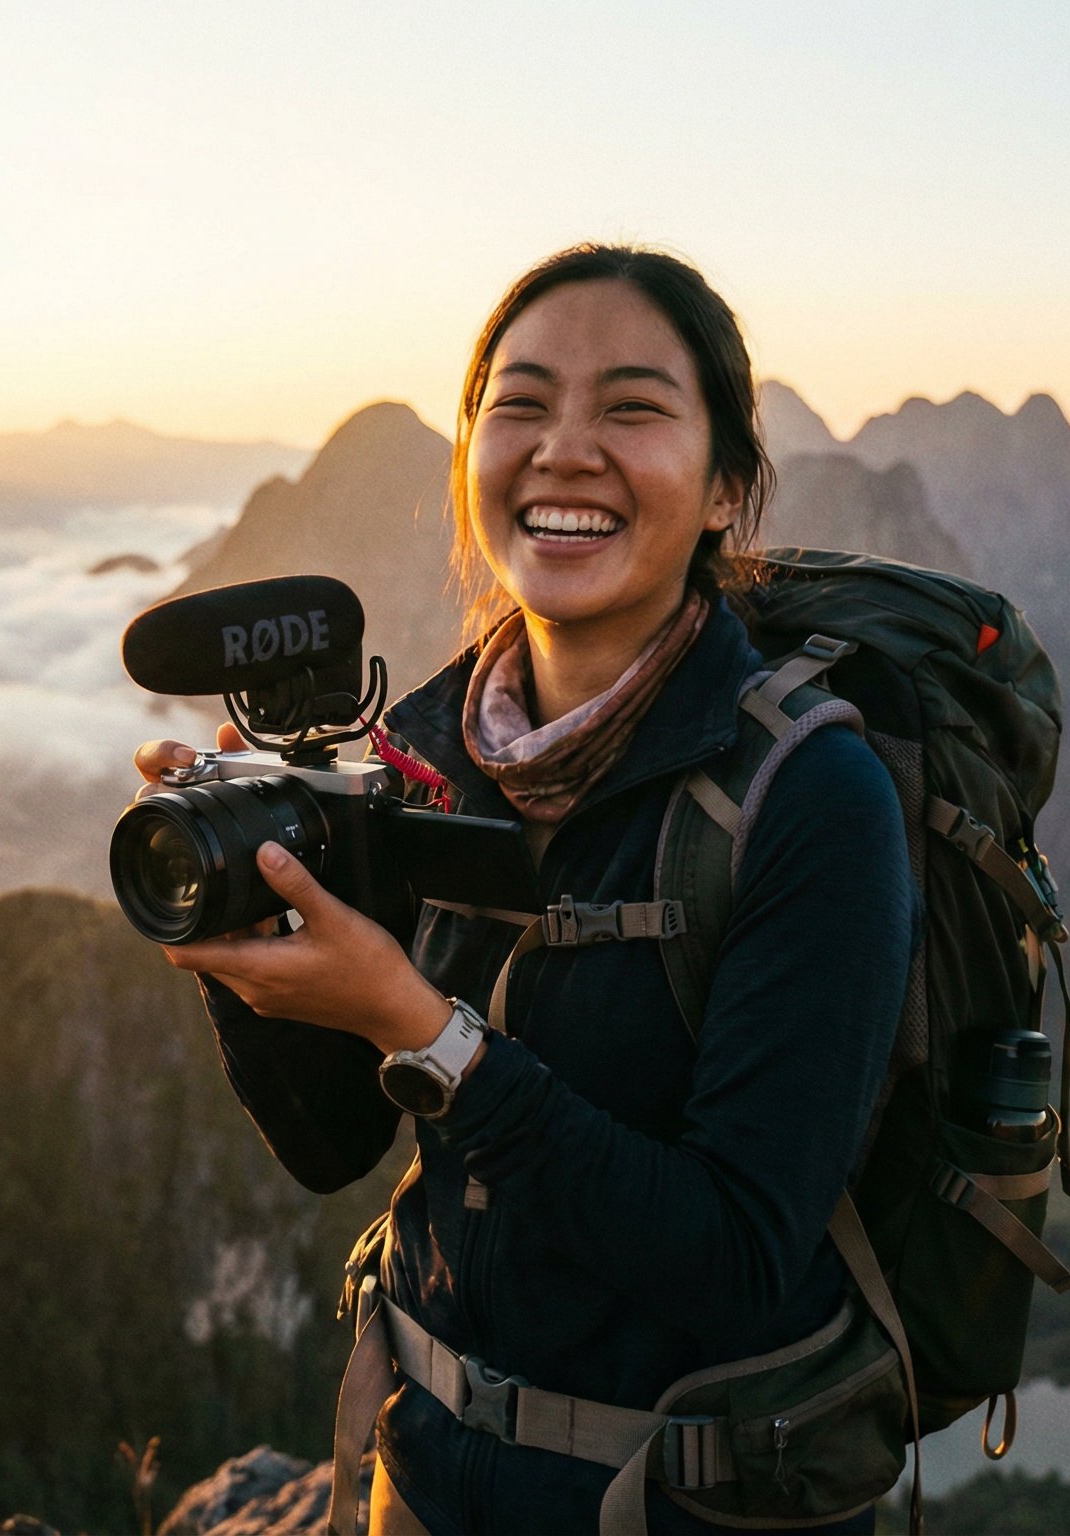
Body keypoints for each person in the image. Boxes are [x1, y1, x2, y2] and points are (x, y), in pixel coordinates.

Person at [131, 244, 915, 1536]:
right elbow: (331, 1145)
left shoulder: (810, 797)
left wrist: (426, 1033)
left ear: (725, 487)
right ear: (470, 459)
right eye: (523, 404)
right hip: (426, 1476)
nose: (564, 450)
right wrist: (245, 929)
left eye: (632, 408)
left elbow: (735, 1261)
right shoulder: (424, 753)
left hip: (685, 1512)